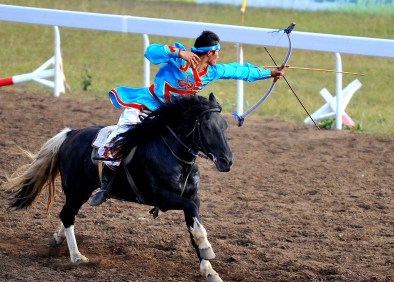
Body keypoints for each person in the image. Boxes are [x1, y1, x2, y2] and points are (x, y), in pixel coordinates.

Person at [89, 30, 284, 206]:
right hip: (146, 106)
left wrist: (269, 73)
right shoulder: (179, 60)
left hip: (172, 118)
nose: (219, 56)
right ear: (210, 53)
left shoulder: (212, 71)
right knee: (115, 146)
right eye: (218, 52)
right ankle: (105, 187)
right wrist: (178, 52)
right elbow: (150, 52)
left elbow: (238, 71)